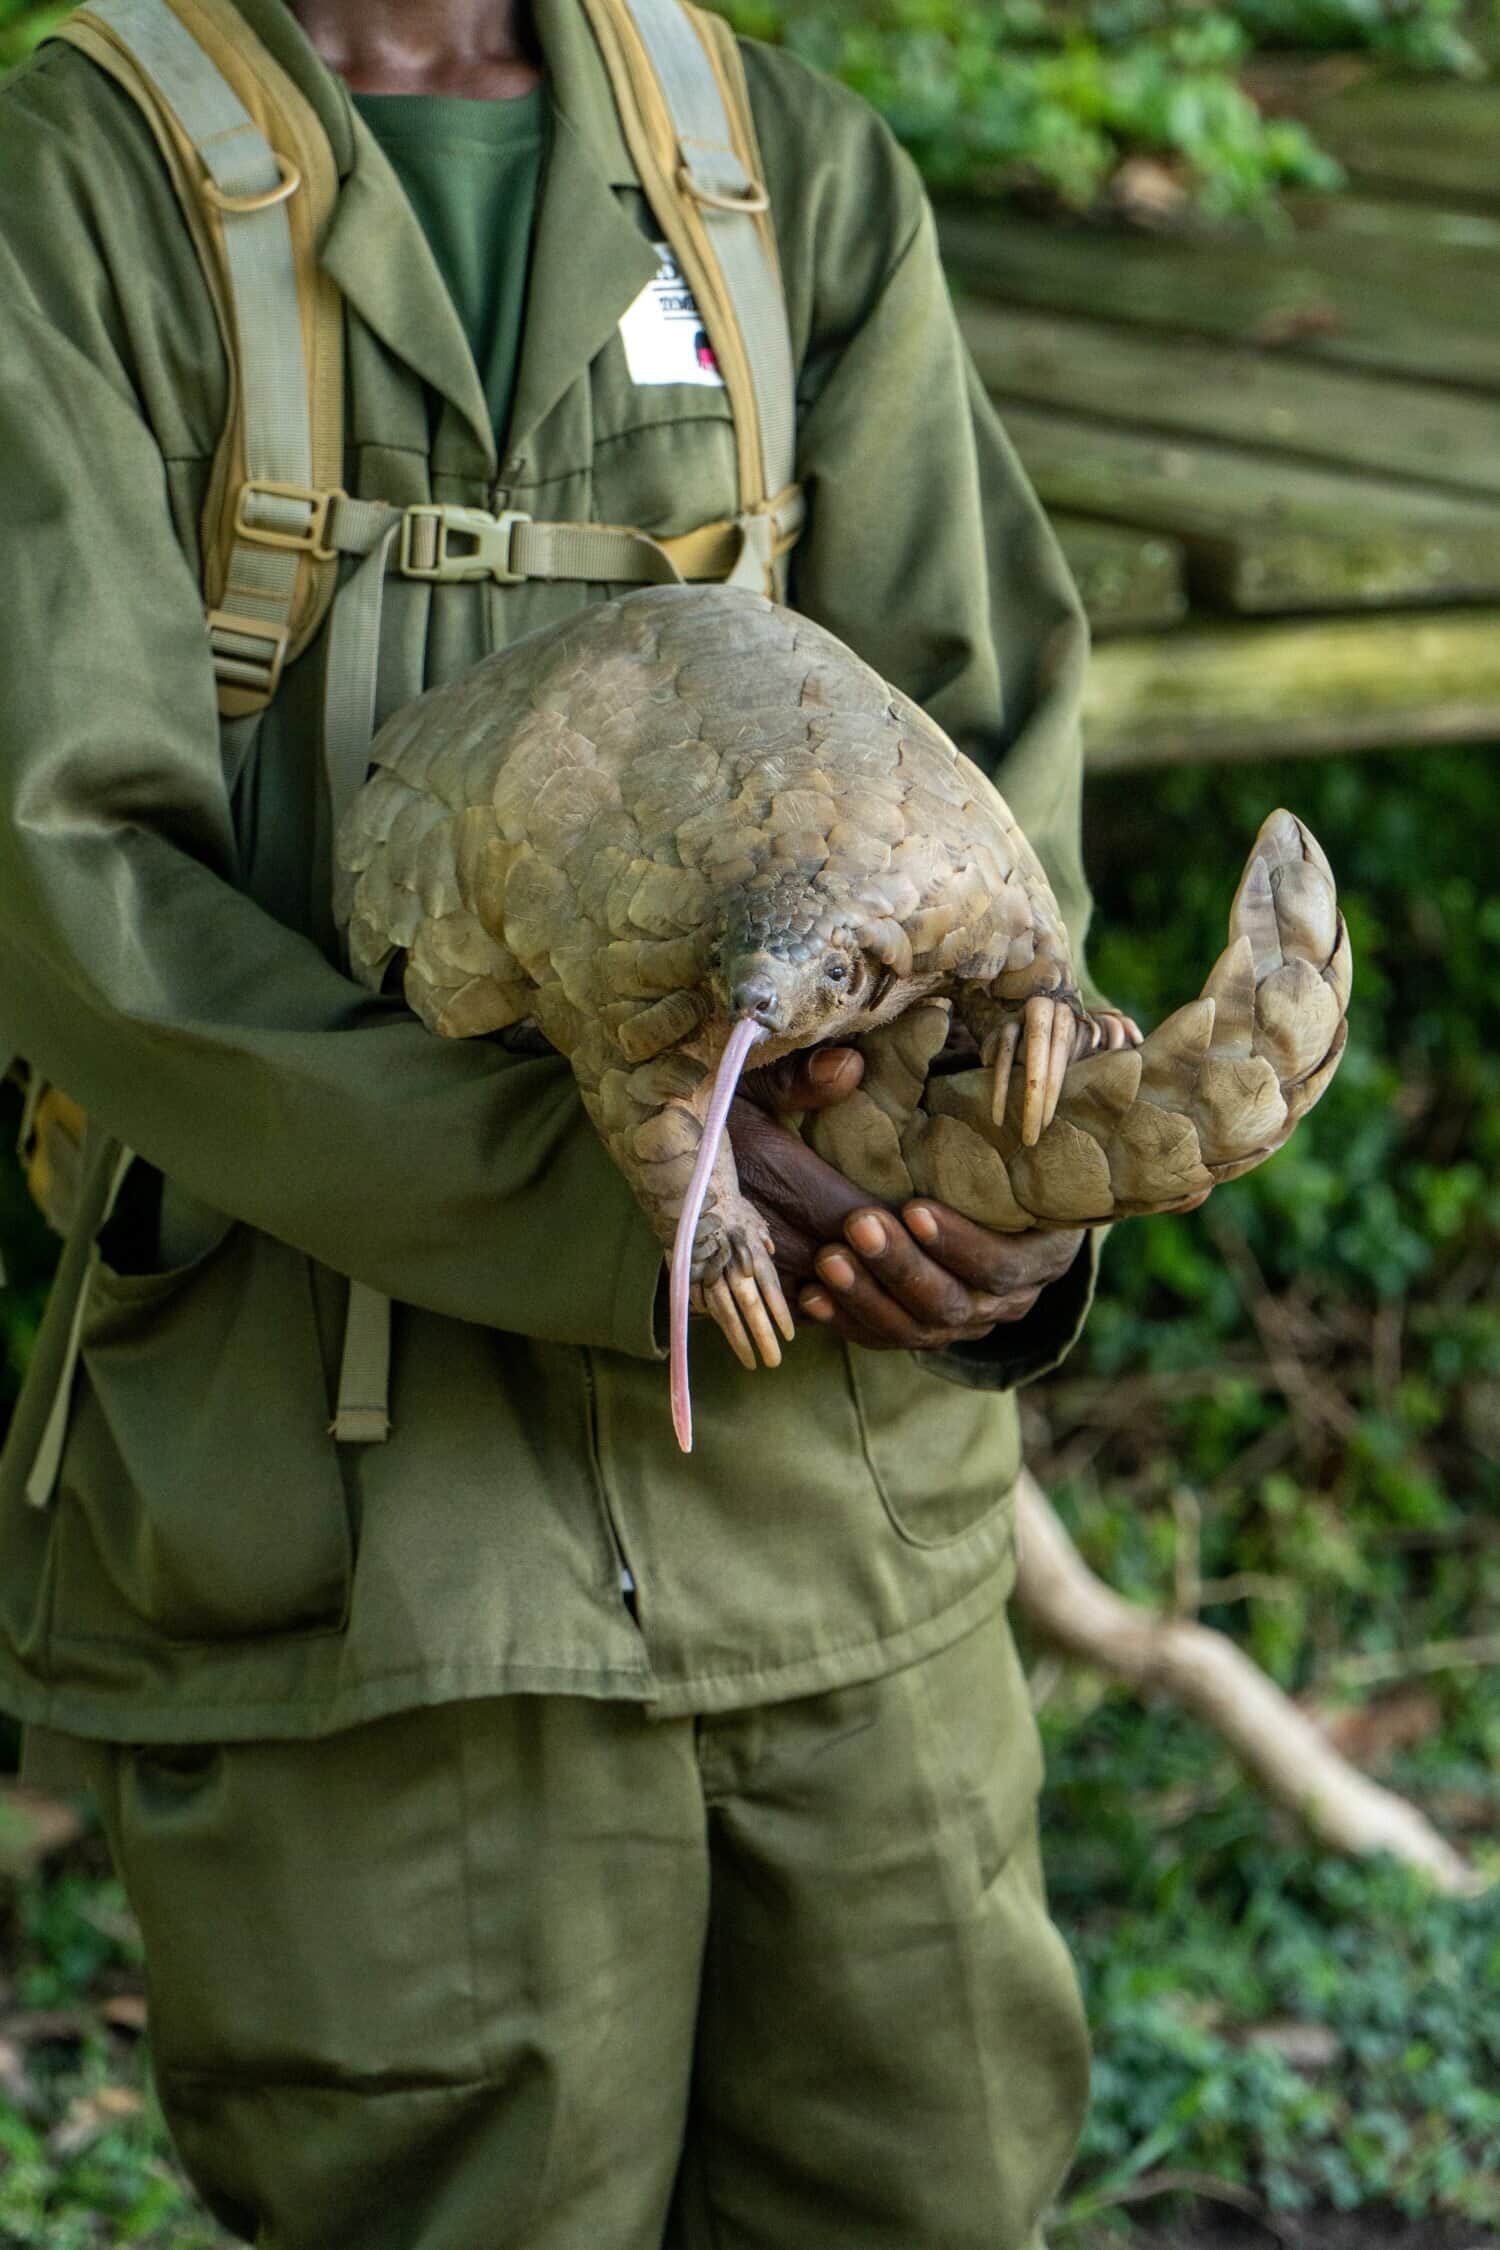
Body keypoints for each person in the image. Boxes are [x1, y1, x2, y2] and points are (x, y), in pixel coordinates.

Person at [0, 0, 1105, 2241]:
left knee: (936, 2178)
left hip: (840, 1515)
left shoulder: (784, 162)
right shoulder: (83, 187)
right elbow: (70, 883)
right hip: (359, 1534)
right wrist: (645, 1213)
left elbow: (990, 794)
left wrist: (1004, 1200)